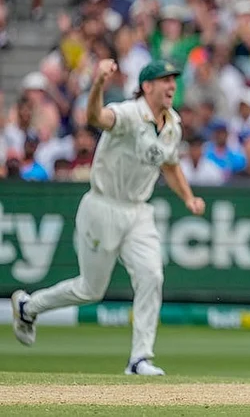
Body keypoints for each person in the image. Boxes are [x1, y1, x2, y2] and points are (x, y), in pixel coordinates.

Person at [10, 59, 206, 376]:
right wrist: (99, 83)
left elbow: (170, 165)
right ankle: (28, 307)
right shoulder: (129, 113)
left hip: (139, 211)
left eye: (173, 80)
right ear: (147, 86)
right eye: (165, 80)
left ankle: (140, 358)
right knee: (91, 289)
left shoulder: (173, 124)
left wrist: (188, 197)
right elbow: (94, 117)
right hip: (103, 206)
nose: (172, 86)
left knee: (151, 275)